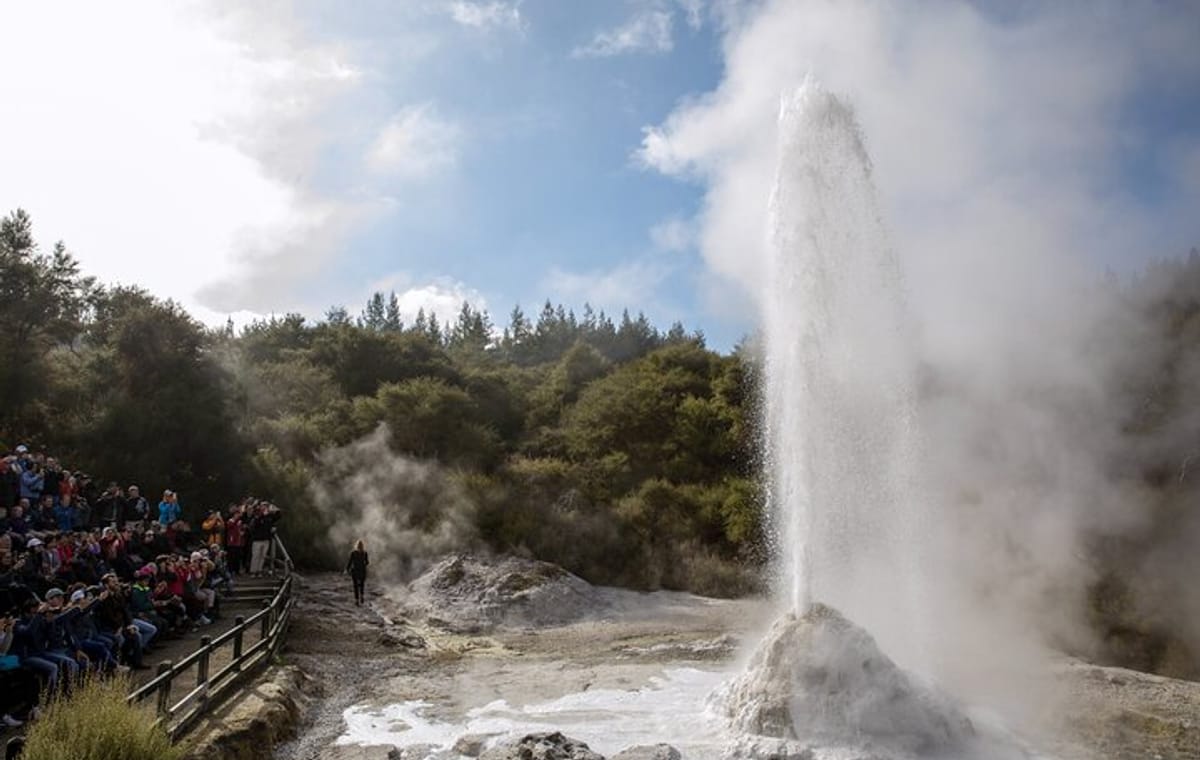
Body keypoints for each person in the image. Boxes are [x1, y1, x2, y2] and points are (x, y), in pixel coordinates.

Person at [345, 539, 369, 606]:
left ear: (356, 545)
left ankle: (356, 600)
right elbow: (367, 562)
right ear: (362, 546)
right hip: (362, 570)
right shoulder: (365, 553)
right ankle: (361, 595)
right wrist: (363, 564)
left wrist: (347, 569)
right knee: (361, 585)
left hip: (355, 571)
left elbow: (350, 562)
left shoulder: (353, 553)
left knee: (355, 586)